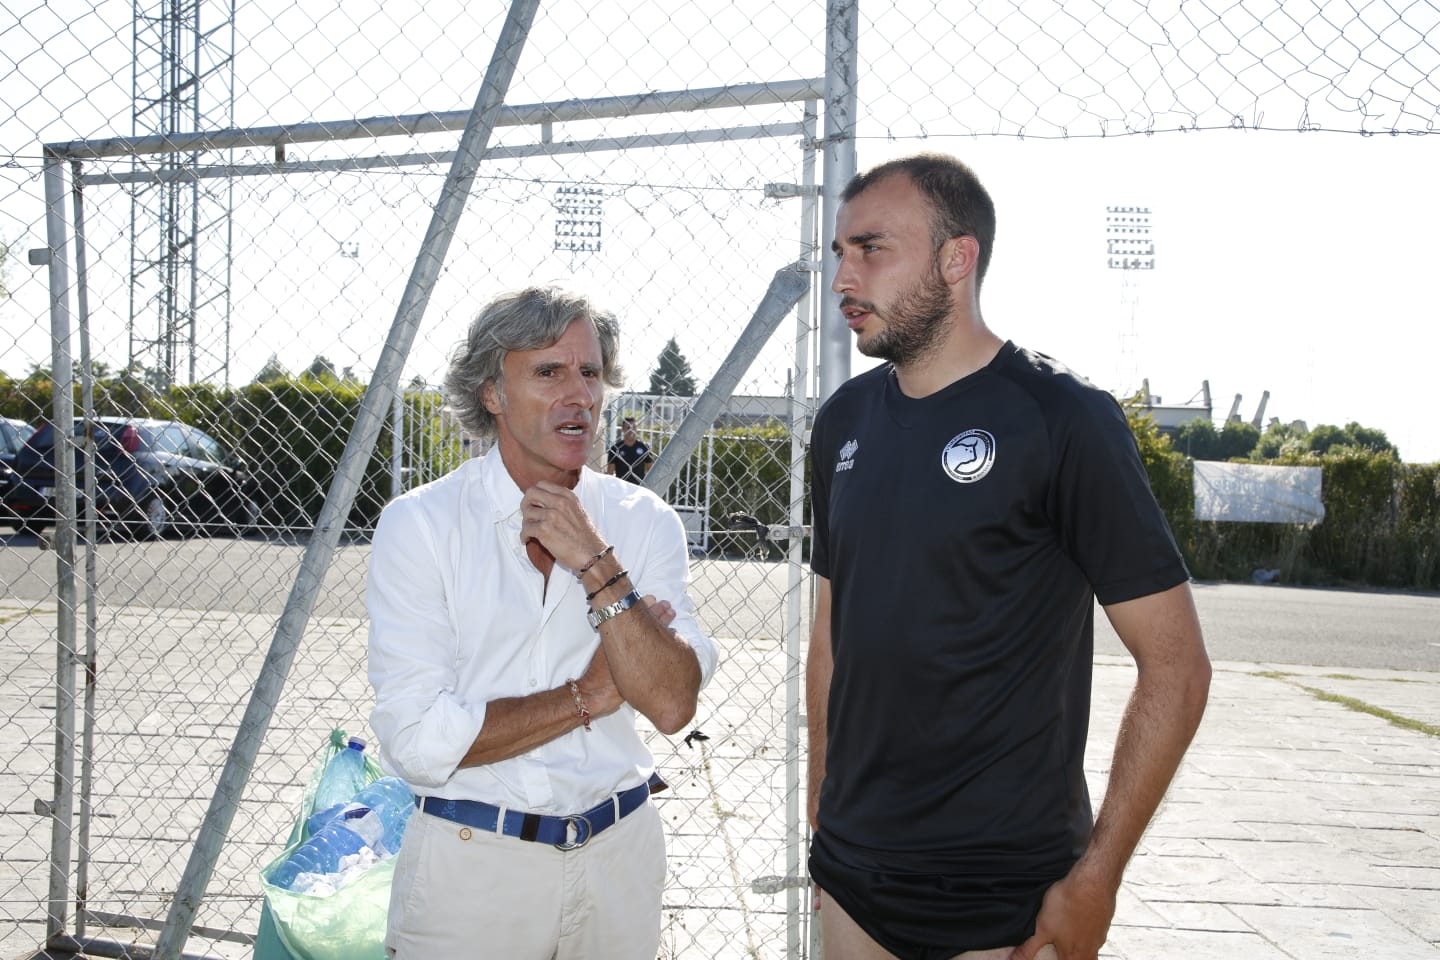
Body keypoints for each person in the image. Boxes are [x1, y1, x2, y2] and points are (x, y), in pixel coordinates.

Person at [806, 153, 1212, 960]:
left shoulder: (1064, 419)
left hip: (1003, 898)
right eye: (839, 253)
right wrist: (821, 815)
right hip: (854, 881)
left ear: (958, 259)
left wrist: (1097, 879)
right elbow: (830, 635)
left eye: (871, 249)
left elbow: (1178, 666)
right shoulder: (843, 421)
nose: (843, 278)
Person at [367, 286, 719, 960]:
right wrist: (595, 692)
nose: (579, 395)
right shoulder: (422, 526)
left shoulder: (643, 522)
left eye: (589, 372)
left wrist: (596, 563)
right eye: (549, 372)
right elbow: (415, 740)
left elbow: (672, 701)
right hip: (471, 872)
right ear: (492, 393)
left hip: (619, 861)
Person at [606, 416, 654, 483]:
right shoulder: (615, 448)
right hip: (621, 487)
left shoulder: (644, 447)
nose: (631, 431)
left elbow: (651, 470)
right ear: (622, 429)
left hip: (639, 488)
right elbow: (610, 473)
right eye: (628, 428)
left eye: (634, 427)